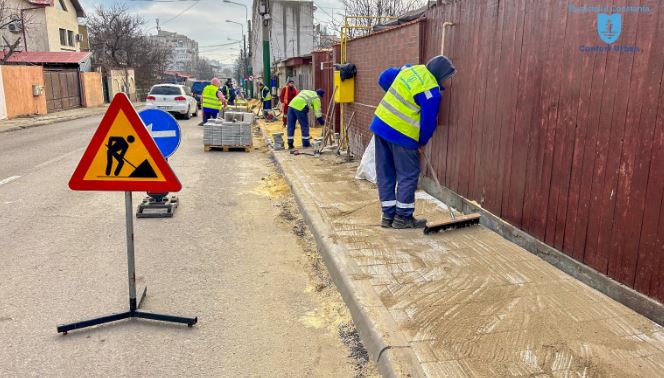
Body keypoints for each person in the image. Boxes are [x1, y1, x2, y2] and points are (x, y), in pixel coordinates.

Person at [370, 55, 456, 229]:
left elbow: (384, 77)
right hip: (402, 134)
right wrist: (422, 141)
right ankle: (402, 218)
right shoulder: (431, 92)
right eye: (447, 76)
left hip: (380, 125)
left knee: (385, 172)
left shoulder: (409, 70)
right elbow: (428, 122)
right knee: (407, 175)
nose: (447, 80)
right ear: (441, 74)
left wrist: (400, 98)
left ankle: (388, 216)